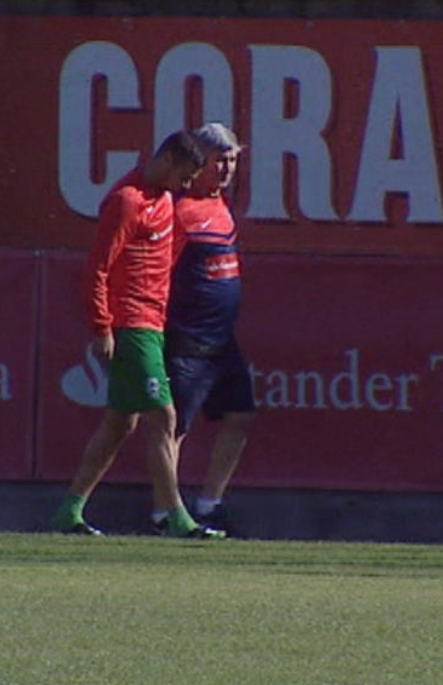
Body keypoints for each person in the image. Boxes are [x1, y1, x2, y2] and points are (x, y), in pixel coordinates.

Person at [51, 130, 226, 539]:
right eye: (184, 177)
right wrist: (101, 327)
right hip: (129, 325)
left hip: (152, 324)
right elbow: (97, 268)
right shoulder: (126, 201)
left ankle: (68, 511)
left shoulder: (164, 200)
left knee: (119, 426)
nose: (186, 187)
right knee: (163, 417)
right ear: (166, 161)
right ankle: (175, 517)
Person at [158, 122, 255, 536]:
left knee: (240, 415)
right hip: (188, 339)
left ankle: (210, 504)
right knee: (174, 427)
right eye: (220, 160)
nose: (228, 168)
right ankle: (167, 512)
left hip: (221, 341)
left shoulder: (222, 204)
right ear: (199, 163)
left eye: (233, 159)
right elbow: (159, 271)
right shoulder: (179, 210)